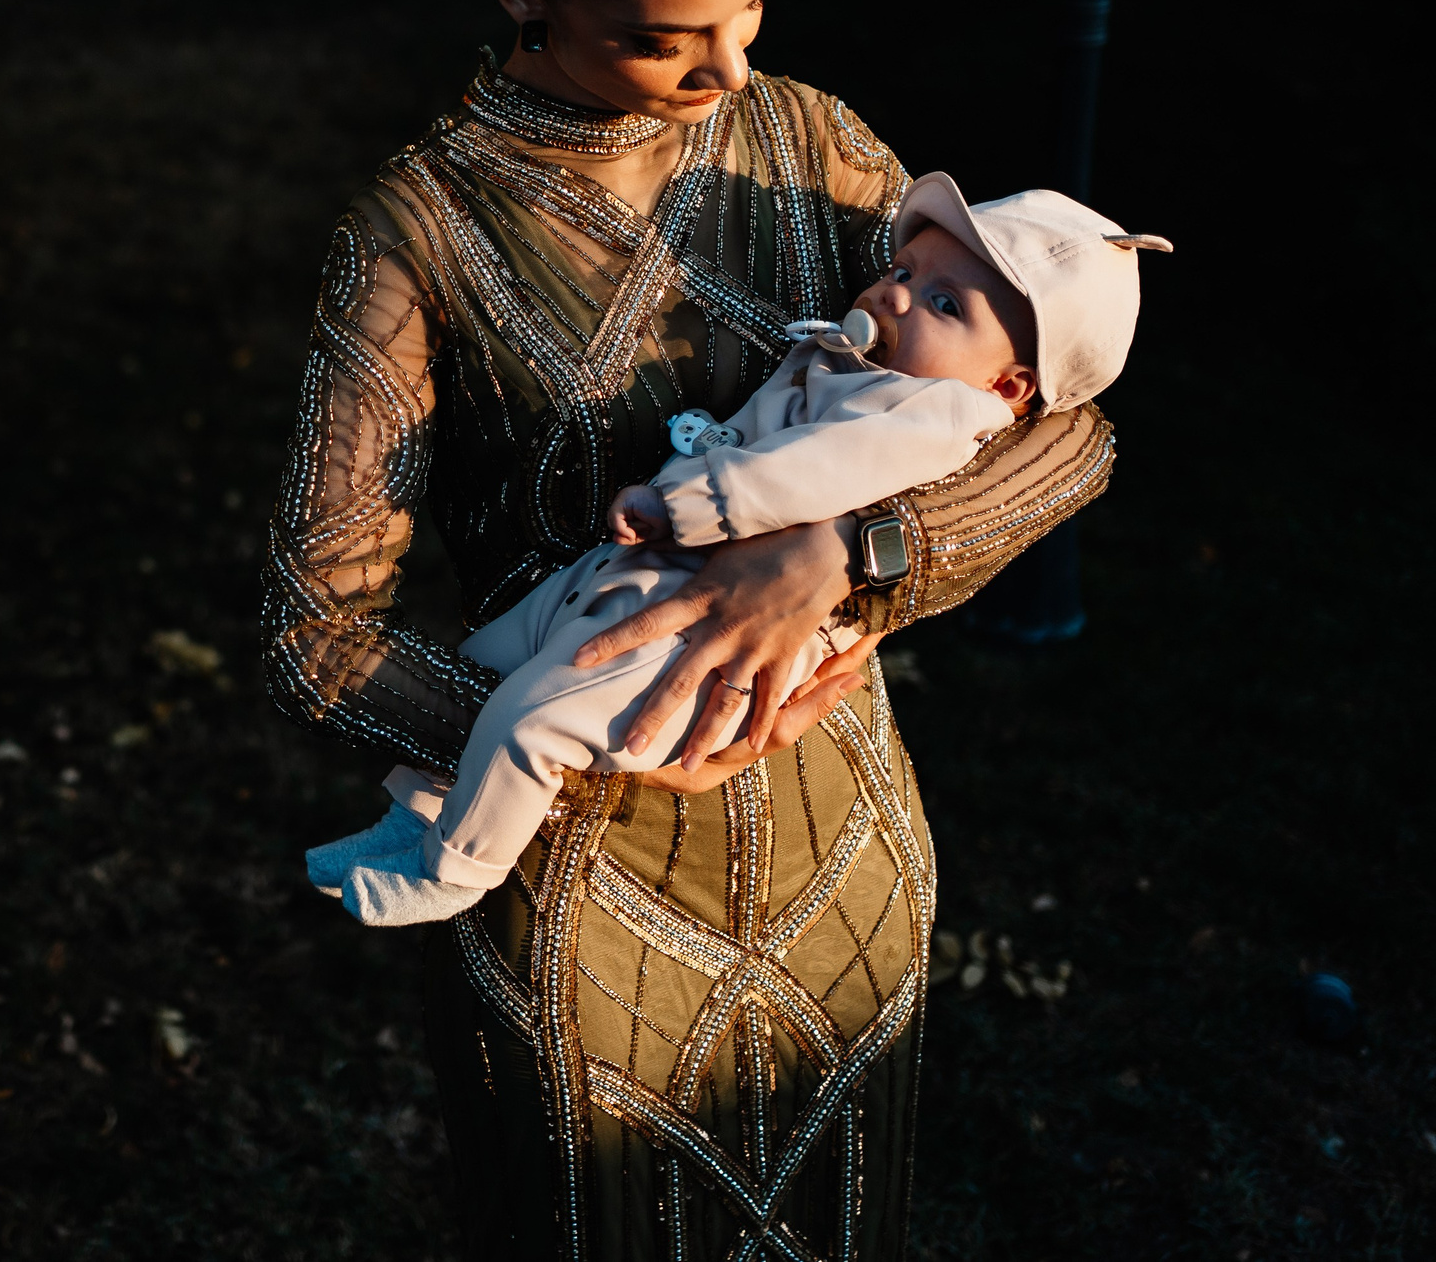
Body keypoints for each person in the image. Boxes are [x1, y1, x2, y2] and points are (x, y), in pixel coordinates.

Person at [259, 0, 1121, 1259]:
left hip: (849, 875)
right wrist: (581, 714)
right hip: (585, 926)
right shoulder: (417, 235)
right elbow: (317, 636)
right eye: (674, 41)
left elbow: (1068, 439)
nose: (733, 78)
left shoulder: (811, 143)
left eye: (758, 13)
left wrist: (852, 558)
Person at [308, 177, 1170, 927]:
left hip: (700, 634)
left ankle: (452, 868)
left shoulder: (940, 410)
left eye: (945, 304)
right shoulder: (853, 362)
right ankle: (410, 816)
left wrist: (781, 532)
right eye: (904, 272)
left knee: (536, 719)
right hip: (627, 579)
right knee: (483, 665)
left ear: (1009, 386)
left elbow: (818, 471)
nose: (899, 295)